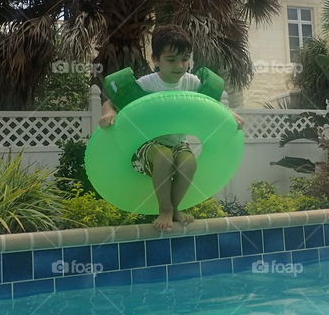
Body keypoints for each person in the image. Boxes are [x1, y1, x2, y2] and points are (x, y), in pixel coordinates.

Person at [98, 25, 244, 231]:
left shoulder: (191, 83)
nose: (179, 65)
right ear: (155, 60)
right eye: (171, 60)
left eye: (185, 59)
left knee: (189, 163)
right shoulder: (148, 84)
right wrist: (108, 113)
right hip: (147, 145)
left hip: (178, 143)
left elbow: (214, 105)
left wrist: (229, 113)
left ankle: (176, 208)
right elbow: (112, 101)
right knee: (164, 157)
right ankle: (165, 209)